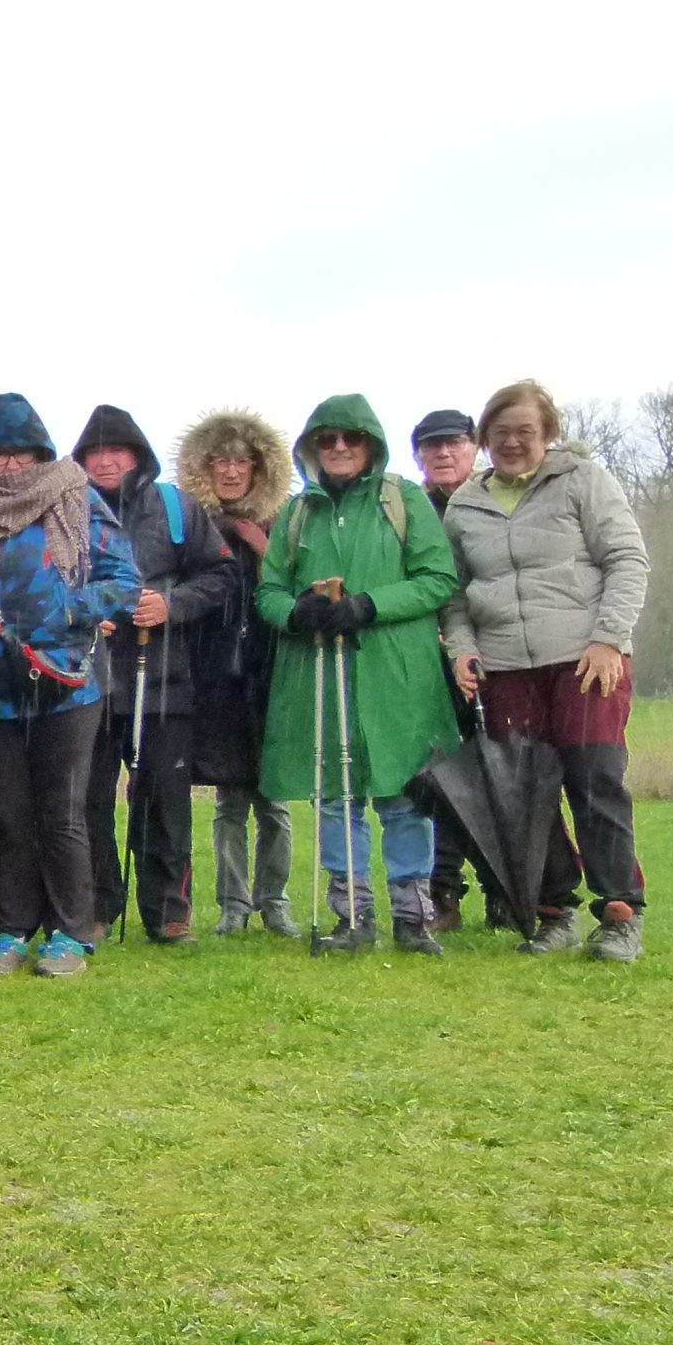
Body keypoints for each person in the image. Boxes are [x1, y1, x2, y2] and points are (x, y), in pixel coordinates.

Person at [0, 394, 139, 980]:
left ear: (40, 453)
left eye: (20, 455)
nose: (10, 466)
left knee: (63, 811)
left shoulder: (78, 496)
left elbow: (123, 578)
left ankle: (71, 932)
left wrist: (71, 609)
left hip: (67, 684)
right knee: (5, 813)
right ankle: (11, 929)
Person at [441, 380, 650, 961]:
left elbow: (627, 560)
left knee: (595, 779)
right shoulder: (464, 504)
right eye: (500, 433)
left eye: (525, 432)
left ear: (548, 434)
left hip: (586, 660)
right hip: (505, 666)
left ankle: (619, 912)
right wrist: (462, 649)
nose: (512, 443)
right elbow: (454, 594)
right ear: (485, 439)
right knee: (525, 793)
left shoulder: (583, 481)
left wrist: (609, 639)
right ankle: (553, 911)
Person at [255, 395, 459, 957]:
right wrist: (296, 611)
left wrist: (370, 605)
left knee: (405, 792)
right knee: (335, 796)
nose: (340, 448)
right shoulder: (298, 513)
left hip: (398, 672)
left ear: (370, 442)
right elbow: (268, 590)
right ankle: (353, 917)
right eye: (327, 439)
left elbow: (439, 577)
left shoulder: (403, 498)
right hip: (321, 671)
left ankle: (414, 917)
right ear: (313, 448)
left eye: (351, 437)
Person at [70, 404, 239, 943]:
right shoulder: (67, 513)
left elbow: (222, 575)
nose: (105, 462)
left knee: (165, 803)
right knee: (88, 801)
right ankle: (94, 907)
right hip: (87, 684)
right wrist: (87, 612)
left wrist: (170, 604)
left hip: (164, 680)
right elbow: (44, 584)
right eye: (94, 453)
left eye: (115, 451)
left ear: (137, 454)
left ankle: (169, 910)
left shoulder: (176, 508)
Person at [176, 408, 300, 938]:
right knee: (229, 800)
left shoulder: (287, 521)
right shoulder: (190, 523)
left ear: (259, 467)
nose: (231, 472)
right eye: (220, 461)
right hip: (215, 678)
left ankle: (275, 902)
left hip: (273, 674)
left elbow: (303, 586)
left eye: (241, 462)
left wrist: (260, 546)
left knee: (274, 800)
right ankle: (233, 905)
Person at [410, 407, 492, 931]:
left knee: (500, 776)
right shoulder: (412, 509)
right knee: (442, 780)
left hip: (497, 654)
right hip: (427, 662)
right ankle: (443, 891)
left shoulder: (493, 499)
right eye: (431, 445)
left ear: (474, 446)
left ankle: (508, 888)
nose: (442, 453)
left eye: (453, 443)